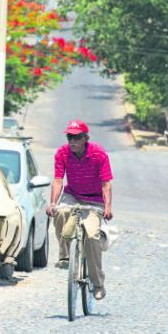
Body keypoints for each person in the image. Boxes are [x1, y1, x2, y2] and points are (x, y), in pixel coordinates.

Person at [46, 120, 114, 300]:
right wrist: (52, 202)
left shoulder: (99, 154)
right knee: (60, 213)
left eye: (77, 137)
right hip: (72, 195)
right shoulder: (62, 153)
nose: (73, 141)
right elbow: (58, 180)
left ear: (85, 138)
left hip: (94, 199)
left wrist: (107, 207)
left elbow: (106, 183)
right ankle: (65, 256)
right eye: (70, 137)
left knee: (92, 237)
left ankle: (98, 284)